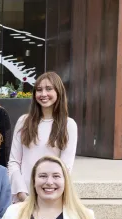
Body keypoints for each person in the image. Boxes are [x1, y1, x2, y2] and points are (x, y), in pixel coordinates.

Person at [8, 71, 78, 203]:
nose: (43, 94)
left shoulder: (69, 125)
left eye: (49, 89)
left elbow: (65, 167)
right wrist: (22, 194)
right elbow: (14, 162)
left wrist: (50, 193)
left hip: (52, 196)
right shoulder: (23, 122)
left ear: (58, 92)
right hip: (23, 196)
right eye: (39, 90)